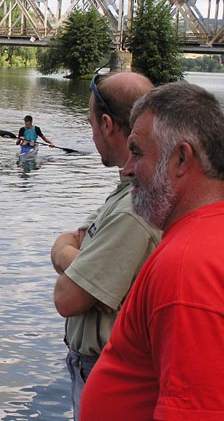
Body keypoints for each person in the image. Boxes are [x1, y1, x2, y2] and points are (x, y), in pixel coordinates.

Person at [80, 82, 224, 420]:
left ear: (181, 159)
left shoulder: (187, 268)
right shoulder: (203, 237)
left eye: (138, 152)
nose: (128, 168)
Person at [50, 72, 161, 420]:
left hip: (105, 373)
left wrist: (66, 256)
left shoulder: (136, 208)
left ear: (108, 124)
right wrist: (76, 255)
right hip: (94, 367)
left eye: (90, 124)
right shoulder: (128, 187)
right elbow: (75, 238)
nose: (91, 133)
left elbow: (67, 298)